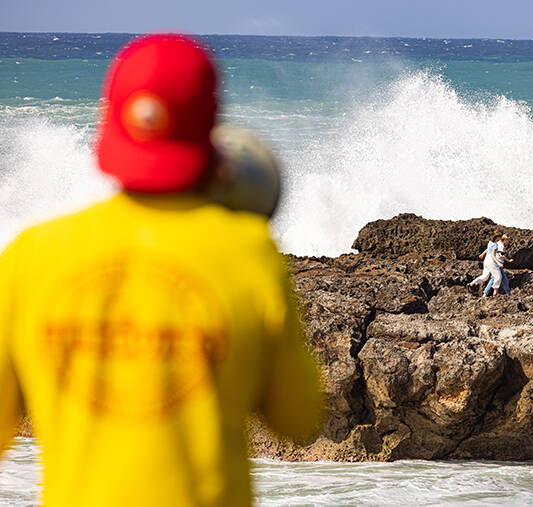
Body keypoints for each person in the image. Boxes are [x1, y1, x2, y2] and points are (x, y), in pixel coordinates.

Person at [0, 34, 325, 507]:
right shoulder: (249, 253)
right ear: (207, 133)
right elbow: (299, 419)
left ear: (108, 122)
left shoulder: (29, 255)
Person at [468, 231, 503, 297]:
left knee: (485, 276)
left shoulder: (490, 242)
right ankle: (495, 293)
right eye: (500, 237)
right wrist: (498, 262)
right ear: (498, 237)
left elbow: (487, 249)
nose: (500, 239)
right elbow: (493, 254)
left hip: (486, 260)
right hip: (490, 260)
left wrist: (482, 254)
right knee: (498, 276)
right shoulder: (495, 245)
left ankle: (471, 284)